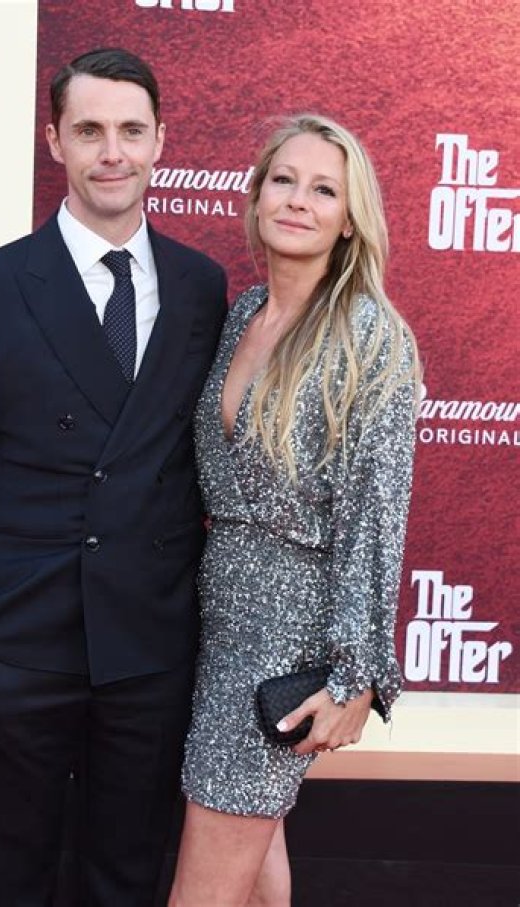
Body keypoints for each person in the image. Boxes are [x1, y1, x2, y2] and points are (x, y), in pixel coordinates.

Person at [0, 47, 227, 907]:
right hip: (17, 644)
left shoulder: (202, 288)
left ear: (161, 140)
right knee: (10, 881)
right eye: (89, 130)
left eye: (131, 130)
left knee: (126, 879)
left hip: (150, 648)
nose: (111, 152)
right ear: (55, 141)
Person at [169, 113, 420, 907]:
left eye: (323, 190)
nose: (298, 201)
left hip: (288, 640)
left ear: (349, 219)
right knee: (254, 870)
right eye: (284, 180)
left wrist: (357, 675)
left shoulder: (370, 337)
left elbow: (374, 520)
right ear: (256, 197)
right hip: (219, 618)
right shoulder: (244, 313)